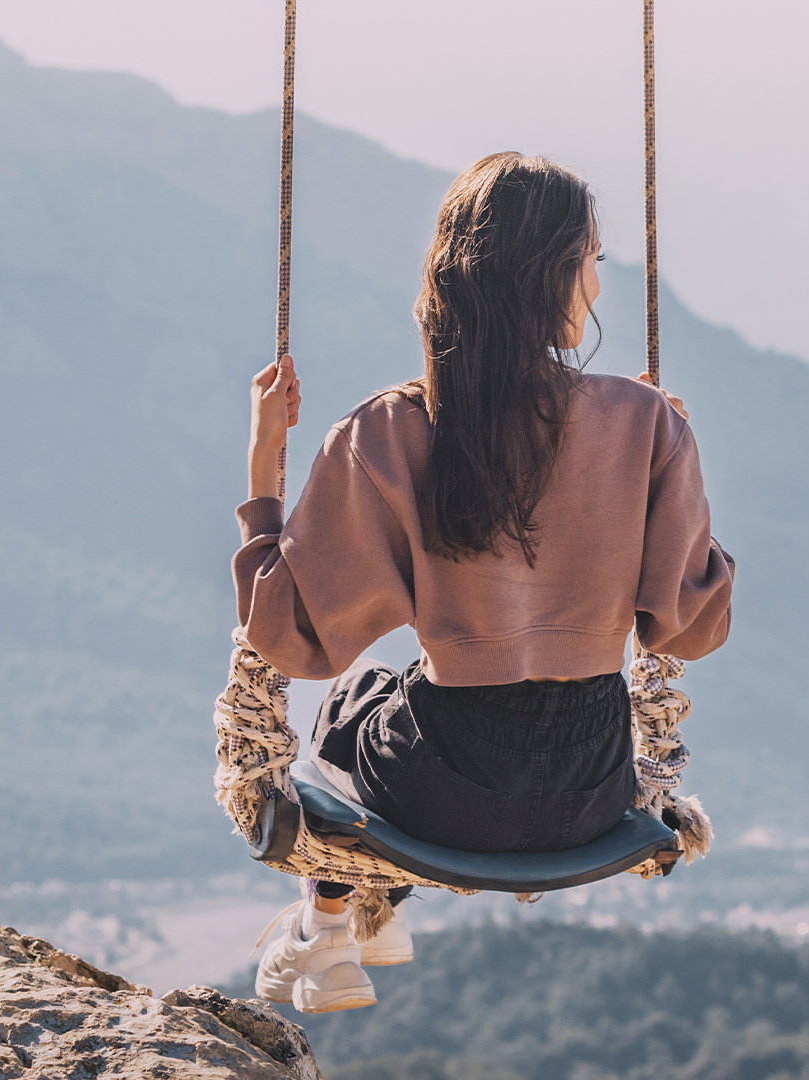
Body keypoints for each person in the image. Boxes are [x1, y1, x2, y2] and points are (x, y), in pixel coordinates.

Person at [232, 153, 735, 1013]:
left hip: (443, 795)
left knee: (354, 702)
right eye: (591, 263)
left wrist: (264, 470)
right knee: (392, 703)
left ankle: (332, 925)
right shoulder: (643, 421)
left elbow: (289, 638)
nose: (598, 290)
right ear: (546, 277)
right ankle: (354, 925)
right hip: (595, 787)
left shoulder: (389, 429)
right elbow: (690, 630)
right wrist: (670, 474)